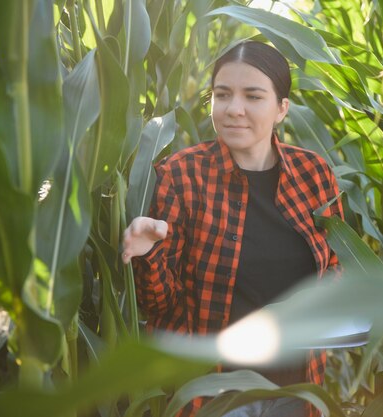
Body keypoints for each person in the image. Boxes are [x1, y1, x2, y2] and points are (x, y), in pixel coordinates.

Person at [122, 40, 344, 417]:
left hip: (299, 389)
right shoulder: (181, 175)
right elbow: (160, 308)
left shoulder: (315, 175)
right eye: (222, 95)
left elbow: (335, 266)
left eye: (253, 96)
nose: (233, 109)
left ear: (281, 109)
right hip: (214, 395)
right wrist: (148, 255)